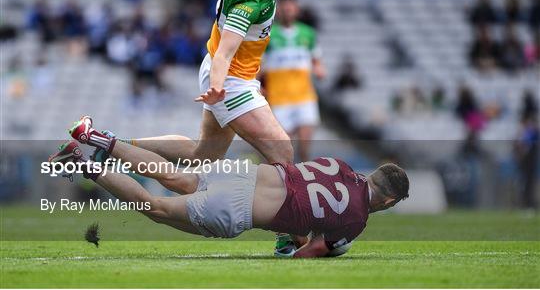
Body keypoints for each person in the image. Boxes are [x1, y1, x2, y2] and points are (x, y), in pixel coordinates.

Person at [68, 0, 311, 255]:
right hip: (230, 82)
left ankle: (121, 147)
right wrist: (216, 89)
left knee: (204, 154)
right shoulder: (249, 4)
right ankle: (287, 234)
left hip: (224, 72)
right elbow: (227, 51)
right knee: (282, 152)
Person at [49, 137, 409, 258]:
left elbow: (303, 194)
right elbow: (310, 252)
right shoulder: (356, 220)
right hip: (240, 209)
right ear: (389, 202)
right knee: (156, 208)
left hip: (244, 174)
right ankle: (82, 163)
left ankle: (102, 140)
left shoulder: (338, 164)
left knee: (175, 177)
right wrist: (303, 246)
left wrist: (299, 231)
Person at [262, 0, 325, 162]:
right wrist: (258, 85)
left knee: (304, 146)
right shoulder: (268, 34)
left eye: (291, 8)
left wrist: (319, 69)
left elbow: (316, 60)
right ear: (278, 11)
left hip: (304, 97)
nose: (288, 11)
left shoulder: (308, 34)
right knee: (285, 148)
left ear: (297, 10)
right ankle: (285, 182)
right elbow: (259, 65)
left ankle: (304, 182)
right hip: (279, 98)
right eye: (284, 8)